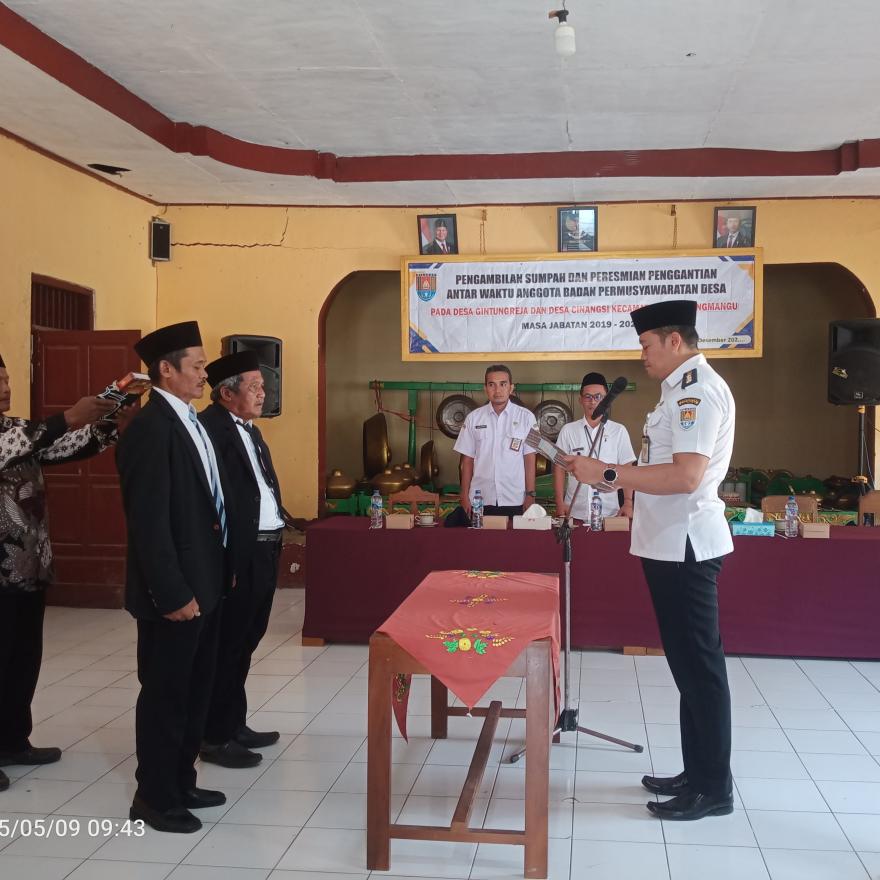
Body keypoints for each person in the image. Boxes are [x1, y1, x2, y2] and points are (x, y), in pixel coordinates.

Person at [564, 300, 735, 821]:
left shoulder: (696, 393)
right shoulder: (676, 392)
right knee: (686, 668)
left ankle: (714, 788)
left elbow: (686, 476)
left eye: (646, 345)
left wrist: (610, 475)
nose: (642, 355)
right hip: (666, 543)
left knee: (701, 669)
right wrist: (605, 472)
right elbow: (661, 466)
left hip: (686, 545)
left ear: (674, 341)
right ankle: (697, 772)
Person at [116, 321, 230, 834]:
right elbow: (149, 522)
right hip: (175, 591)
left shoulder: (190, 421)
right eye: (198, 366)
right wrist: (171, 592)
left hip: (204, 583)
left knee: (195, 690)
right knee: (165, 695)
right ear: (166, 369)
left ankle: (183, 780)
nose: (205, 375)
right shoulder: (150, 428)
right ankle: (155, 797)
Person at [0, 355, 120, 793]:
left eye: (6, 378)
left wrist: (110, 415)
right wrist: (69, 416)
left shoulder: (17, 428)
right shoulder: (16, 436)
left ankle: (13, 741)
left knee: (22, 660)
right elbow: (29, 440)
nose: (6, 387)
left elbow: (64, 446)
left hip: (30, 568)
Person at [198, 351, 289, 769]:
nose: (262, 393)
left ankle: (234, 723)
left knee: (246, 640)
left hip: (264, 547)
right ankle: (214, 736)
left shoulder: (251, 430)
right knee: (227, 644)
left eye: (262, 386)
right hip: (238, 551)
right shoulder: (211, 430)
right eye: (253, 387)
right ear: (226, 393)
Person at [454, 365, 537, 518]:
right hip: (480, 499)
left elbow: (530, 458)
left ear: (511, 388)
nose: (497, 390)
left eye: (503, 384)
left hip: (515, 499)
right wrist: (464, 495)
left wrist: (530, 494)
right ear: (485, 388)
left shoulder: (527, 417)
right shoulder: (473, 418)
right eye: (492, 384)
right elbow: (467, 460)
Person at [554, 371, 635, 521]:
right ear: (580, 400)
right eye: (588, 397)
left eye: (598, 397)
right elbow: (559, 467)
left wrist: (628, 502)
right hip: (574, 512)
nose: (592, 401)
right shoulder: (568, 430)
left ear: (607, 399)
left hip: (609, 513)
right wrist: (559, 502)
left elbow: (627, 467)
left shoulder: (618, 431)